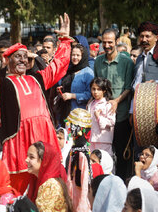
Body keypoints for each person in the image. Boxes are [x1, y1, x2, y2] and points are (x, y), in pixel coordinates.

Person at [0, 13, 73, 194]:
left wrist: (64, 40)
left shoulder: (37, 78)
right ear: (7, 61)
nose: (22, 59)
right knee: (20, 183)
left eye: (25, 56)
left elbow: (58, 65)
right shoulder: (3, 83)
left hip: (44, 133)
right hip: (19, 138)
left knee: (49, 179)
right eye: (17, 57)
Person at [94, 28, 134, 180]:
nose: (107, 45)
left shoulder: (127, 62)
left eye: (110, 42)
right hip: (102, 119)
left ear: (117, 41)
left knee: (123, 154)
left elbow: (129, 87)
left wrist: (117, 101)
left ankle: (122, 185)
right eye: (104, 42)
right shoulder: (98, 61)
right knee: (103, 155)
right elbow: (96, 86)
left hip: (121, 116)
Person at [25, 141, 71, 211]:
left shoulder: (50, 185)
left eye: (31, 157)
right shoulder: (38, 180)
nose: (26, 160)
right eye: (27, 156)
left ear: (44, 161)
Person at [56, 43, 94, 126]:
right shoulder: (68, 70)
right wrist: (61, 92)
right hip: (64, 111)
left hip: (78, 115)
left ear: (83, 56)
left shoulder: (88, 72)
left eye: (78, 55)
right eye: (73, 55)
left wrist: (72, 96)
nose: (75, 58)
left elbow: (90, 94)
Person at [66, 108, 93, 212]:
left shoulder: (82, 154)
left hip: (80, 205)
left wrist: (82, 208)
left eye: (71, 126)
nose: (69, 130)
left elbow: (85, 184)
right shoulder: (75, 150)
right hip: (73, 200)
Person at [87, 77, 116, 155]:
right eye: (93, 89)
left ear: (104, 91)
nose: (95, 92)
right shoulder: (90, 104)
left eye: (99, 89)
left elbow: (112, 121)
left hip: (103, 140)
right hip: (91, 139)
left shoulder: (108, 105)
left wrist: (99, 117)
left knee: (104, 162)